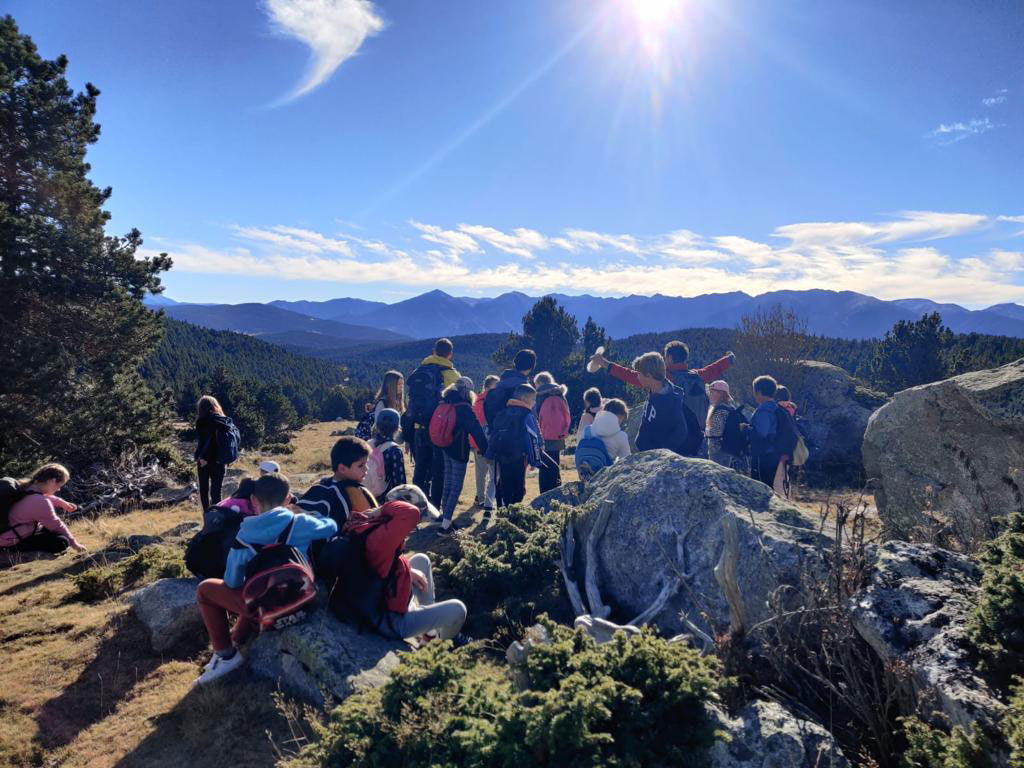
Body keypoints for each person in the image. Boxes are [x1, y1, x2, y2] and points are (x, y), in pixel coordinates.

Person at [194, 472, 337, 686]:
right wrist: (311, 517)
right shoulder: (301, 523)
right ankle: (237, 640)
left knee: (206, 589)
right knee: (256, 588)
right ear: (288, 500)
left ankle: (226, 656)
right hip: (302, 597)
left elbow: (232, 582)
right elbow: (331, 526)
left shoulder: (244, 535)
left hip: (266, 604)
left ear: (253, 501)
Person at [341, 499, 468, 643]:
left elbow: (388, 563)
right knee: (459, 609)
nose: (412, 529)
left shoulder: (368, 528)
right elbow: (411, 513)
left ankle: (429, 633)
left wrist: (409, 570)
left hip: (388, 595)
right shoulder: (380, 539)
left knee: (421, 559)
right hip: (394, 621)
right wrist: (382, 509)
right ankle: (440, 646)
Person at [406, 340, 460, 508]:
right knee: (439, 470)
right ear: (450, 354)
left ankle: (416, 504)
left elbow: (410, 402)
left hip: (419, 427)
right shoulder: (452, 376)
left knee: (420, 467)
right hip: (440, 430)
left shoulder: (418, 371)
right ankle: (435, 506)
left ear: (433, 351)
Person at [436, 377, 488, 534]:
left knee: (448, 482)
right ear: (467, 391)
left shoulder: (444, 401)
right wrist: (486, 451)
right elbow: (476, 430)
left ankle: (444, 517)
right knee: (456, 486)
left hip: (444, 446)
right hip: (458, 450)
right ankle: (445, 526)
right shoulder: (463, 407)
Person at [0, 463, 86, 554]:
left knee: (52, 532)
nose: (58, 490)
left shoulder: (26, 487)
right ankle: (7, 552)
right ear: (52, 481)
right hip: (9, 541)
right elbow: (56, 525)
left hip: (8, 532)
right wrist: (75, 544)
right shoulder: (41, 501)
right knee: (62, 542)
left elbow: (39, 497)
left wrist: (62, 503)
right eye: (59, 486)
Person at [296, 437, 379, 526]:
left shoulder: (321, 487)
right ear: (342, 468)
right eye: (361, 465)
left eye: (366, 463)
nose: (366, 468)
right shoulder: (326, 494)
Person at [486, 383, 542, 507]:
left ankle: (504, 511)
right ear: (524, 398)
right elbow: (533, 439)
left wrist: (489, 454)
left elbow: (494, 435)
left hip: (501, 456)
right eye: (533, 399)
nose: (534, 402)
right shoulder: (527, 415)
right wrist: (535, 461)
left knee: (505, 484)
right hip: (519, 458)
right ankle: (514, 514)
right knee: (518, 488)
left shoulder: (502, 413)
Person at [631, 352, 695, 456]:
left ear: (649, 375)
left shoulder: (671, 399)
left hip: (658, 457)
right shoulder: (653, 390)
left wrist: (662, 454)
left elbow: (681, 431)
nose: (637, 377)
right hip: (646, 453)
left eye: (639, 374)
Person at [195, 395, 236, 512]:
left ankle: (207, 516)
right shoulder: (224, 420)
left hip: (205, 461)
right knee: (217, 491)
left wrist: (202, 458)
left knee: (204, 490)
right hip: (220, 460)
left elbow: (205, 442)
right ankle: (217, 517)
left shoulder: (202, 421)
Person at [533, 371, 571, 494]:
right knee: (555, 464)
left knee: (544, 467)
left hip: (543, 437)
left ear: (539, 382)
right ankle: (556, 492)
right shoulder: (560, 394)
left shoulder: (538, 396)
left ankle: (544, 495)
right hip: (558, 437)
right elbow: (567, 415)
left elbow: (534, 416)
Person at [744, 376, 781, 488]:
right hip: (774, 453)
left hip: (763, 455)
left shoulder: (763, 410)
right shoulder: (775, 408)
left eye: (754, 391)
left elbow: (761, 433)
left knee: (760, 487)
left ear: (759, 392)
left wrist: (746, 428)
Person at [483, 349, 537, 427]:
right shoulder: (526, 390)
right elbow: (533, 419)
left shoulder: (499, 386)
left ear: (515, 362)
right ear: (532, 367)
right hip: (518, 436)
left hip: (496, 436)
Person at [705, 380, 749, 472]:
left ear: (721, 393)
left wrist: (707, 436)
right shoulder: (731, 407)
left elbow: (715, 432)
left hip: (717, 450)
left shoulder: (720, 410)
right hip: (728, 448)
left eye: (713, 391)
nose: (710, 394)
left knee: (716, 475)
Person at [471, 375, 499, 513]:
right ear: (490, 386)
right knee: (493, 473)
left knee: (480, 472)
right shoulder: (493, 399)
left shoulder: (476, 400)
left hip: (477, 442)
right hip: (489, 441)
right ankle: (487, 499)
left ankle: (480, 498)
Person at [366, 408, 406, 499]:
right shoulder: (394, 450)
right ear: (397, 428)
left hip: (365, 496)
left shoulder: (368, 444)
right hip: (384, 499)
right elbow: (399, 483)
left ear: (377, 426)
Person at [356, 370, 405, 441]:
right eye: (398, 384)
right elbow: (378, 427)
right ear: (390, 385)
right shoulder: (382, 403)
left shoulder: (398, 401)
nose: (401, 387)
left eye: (402, 384)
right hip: (372, 441)